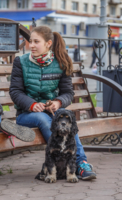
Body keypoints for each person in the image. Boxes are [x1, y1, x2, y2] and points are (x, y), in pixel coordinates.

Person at [9, 25, 97, 180]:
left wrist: (58, 102)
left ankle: (81, 164)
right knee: (45, 119)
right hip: (27, 115)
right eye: (31, 41)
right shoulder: (20, 62)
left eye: (37, 41)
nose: (32, 45)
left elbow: (68, 93)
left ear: (48, 43)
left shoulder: (60, 62)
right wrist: (32, 104)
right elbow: (15, 92)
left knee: (66, 122)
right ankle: (60, 163)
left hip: (52, 111)